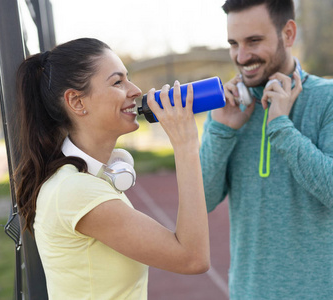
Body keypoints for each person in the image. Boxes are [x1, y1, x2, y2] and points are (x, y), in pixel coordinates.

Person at [14, 37, 210, 299]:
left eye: (127, 79)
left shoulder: (89, 177)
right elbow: (192, 258)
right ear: (77, 102)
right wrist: (185, 145)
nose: (135, 90)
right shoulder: (75, 191)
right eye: (118, 82)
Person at [200, 1, 333, 299]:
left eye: (254, 41)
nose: (241, 56)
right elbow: (202, 202)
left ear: (288, 34)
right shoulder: (229, 109)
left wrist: (280, 127)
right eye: (233, 43)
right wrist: (221, 130)